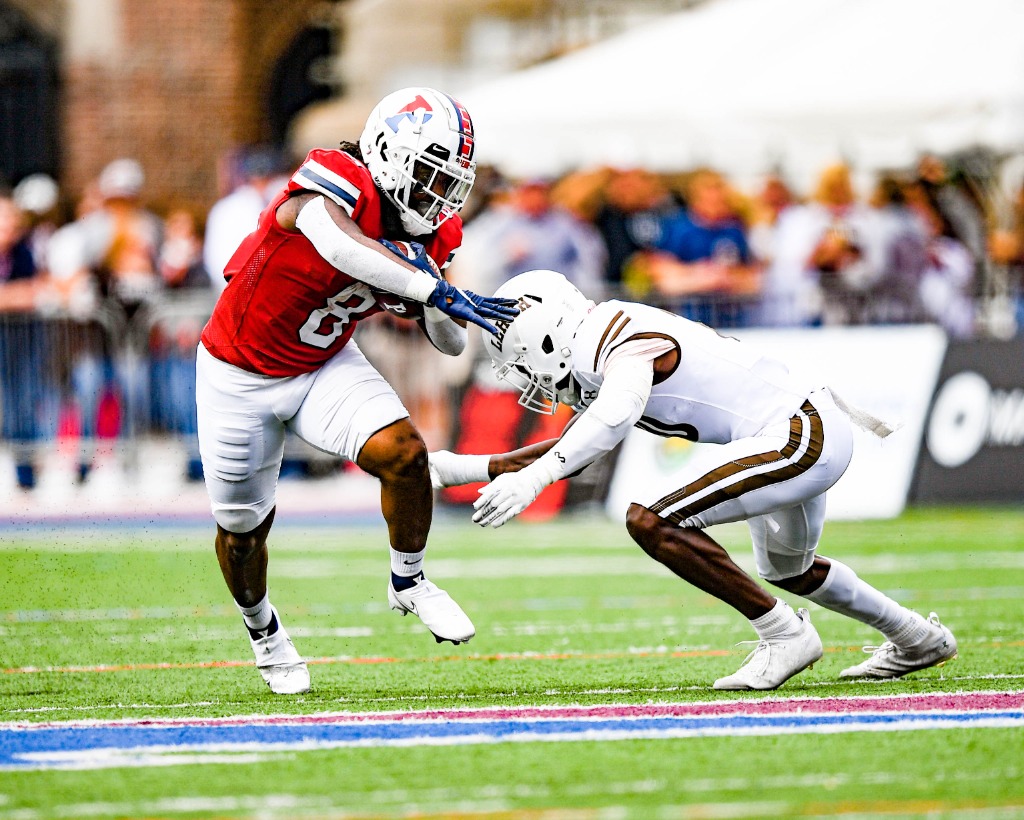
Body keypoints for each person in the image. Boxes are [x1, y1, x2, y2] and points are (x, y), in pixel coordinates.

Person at [429, 269, 958, 691]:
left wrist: (540, 478)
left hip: (799, 433)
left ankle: (783, 634)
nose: (528, 377)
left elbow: (613, 417)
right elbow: (580, 441)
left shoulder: (607, 339)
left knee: (652, 520)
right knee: (786, 568)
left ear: (542, 335)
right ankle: (916, 637)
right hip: (799, 430)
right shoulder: (601, 339)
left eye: (521, 362)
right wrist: (465, 469)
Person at [195, 87, 518, 695]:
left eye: (451, 184)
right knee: (242, 533)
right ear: (390, 155)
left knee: (405, 454)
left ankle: (410, 581)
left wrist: (446, 295)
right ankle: (263, 629)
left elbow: (446, 343)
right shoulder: (337, 177)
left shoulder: (434, 234)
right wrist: (430, 288)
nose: (440, 197)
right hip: (238, 373)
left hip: (322, 364)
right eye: (430, 176)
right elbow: (340, 244)